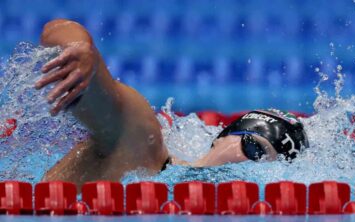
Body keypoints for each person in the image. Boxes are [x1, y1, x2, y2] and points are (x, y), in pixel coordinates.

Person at [38, 19, 309, 188]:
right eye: (254, 149)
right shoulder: (140, 146)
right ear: (222, 137)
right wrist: (81, 51)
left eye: (270, 170)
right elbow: (58, 29)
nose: (254, 170)